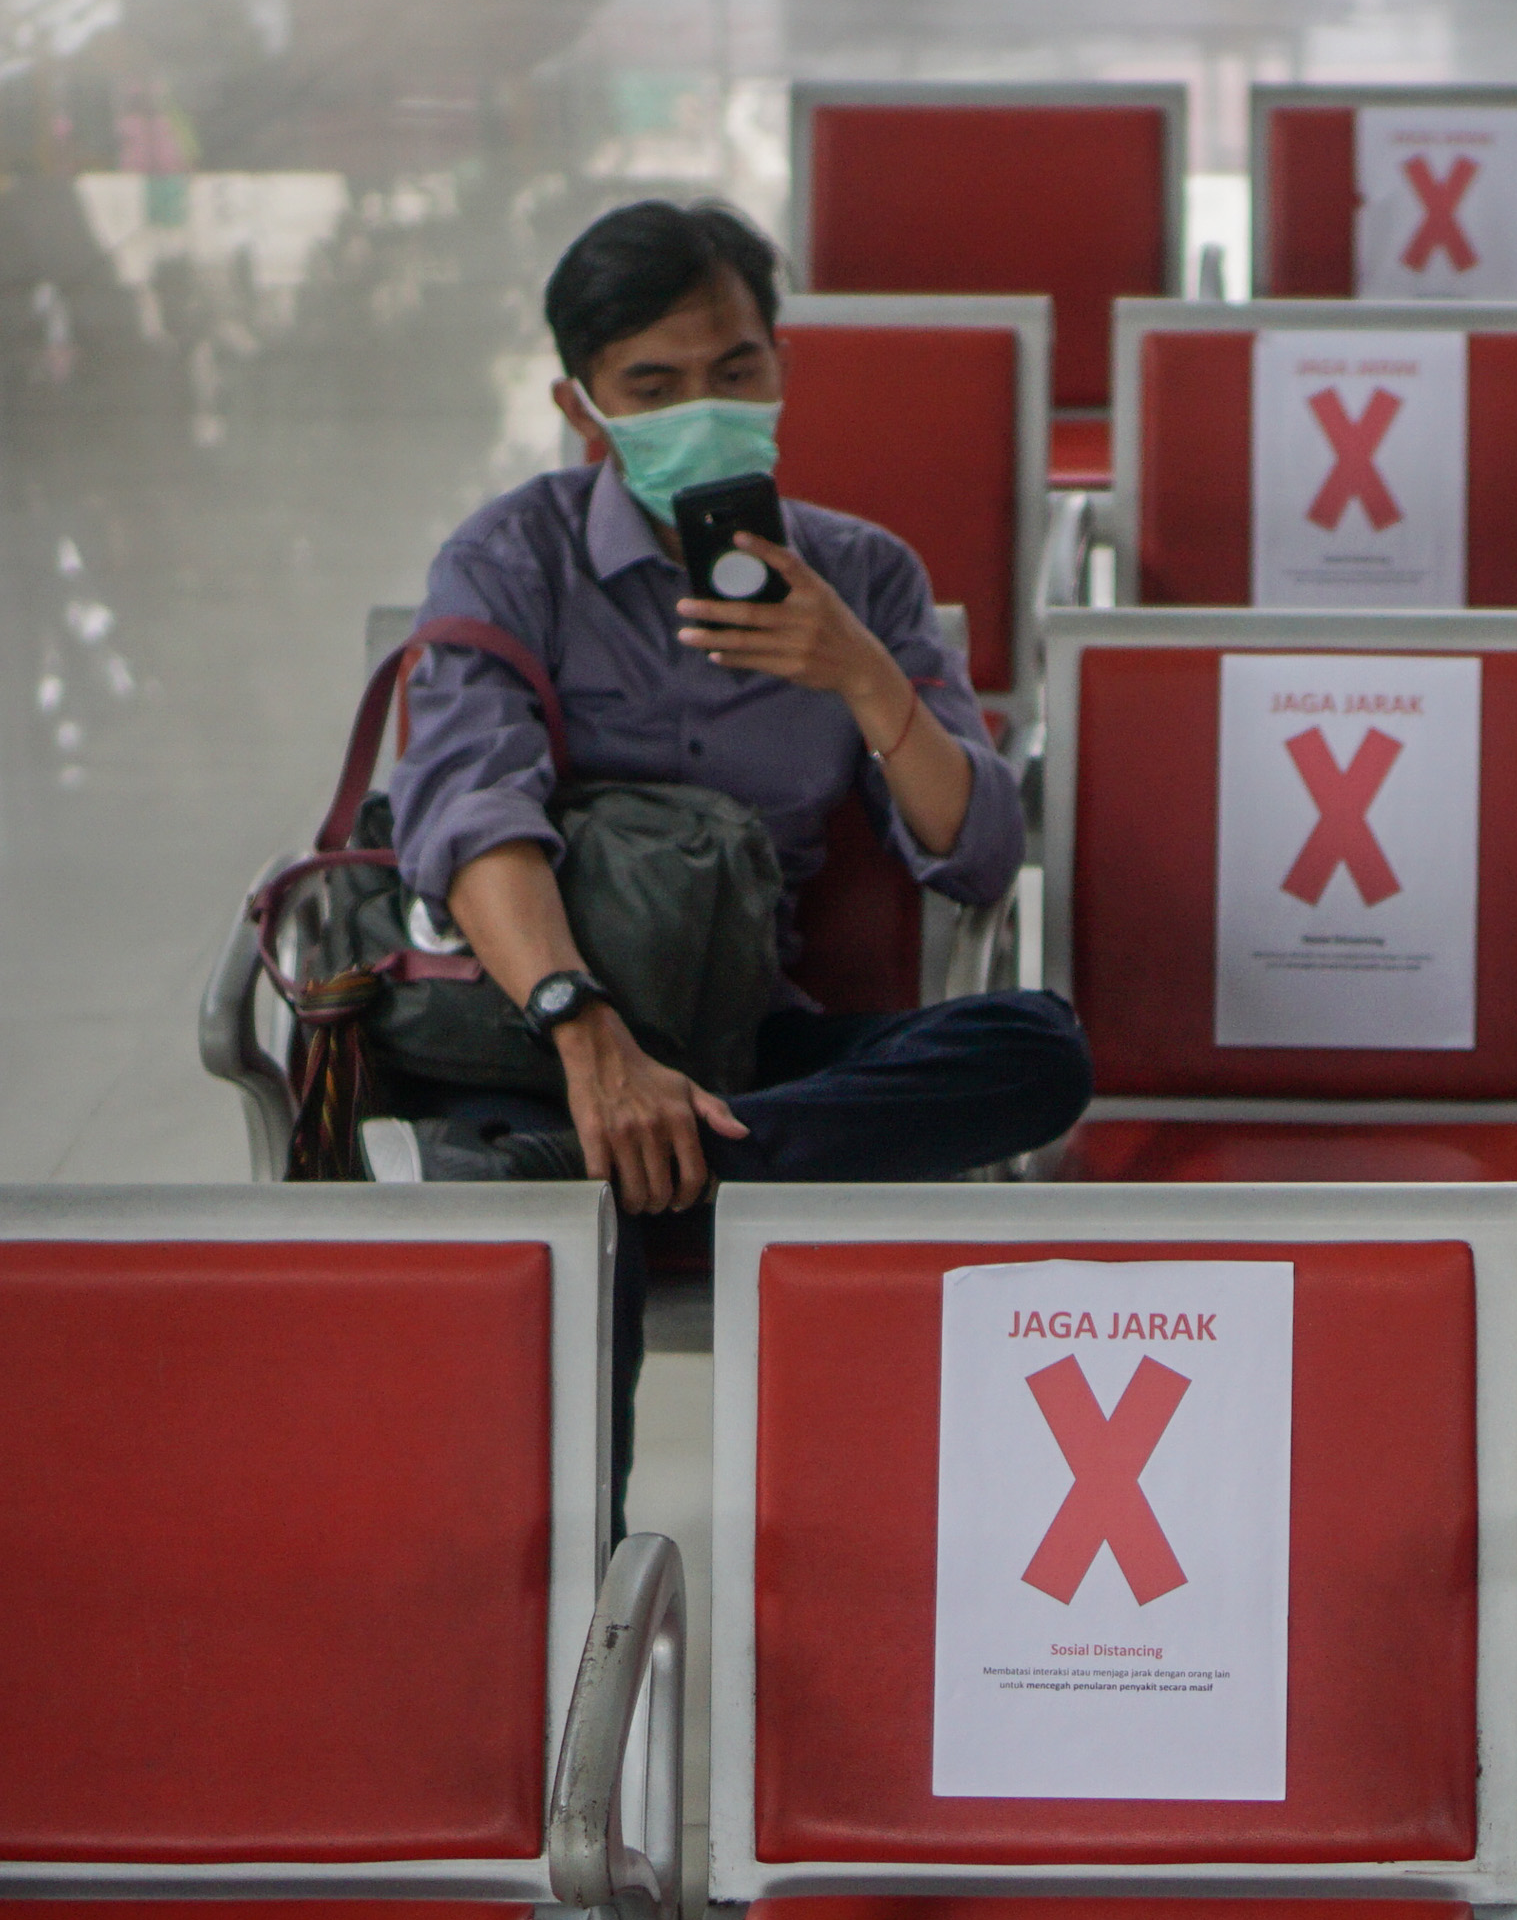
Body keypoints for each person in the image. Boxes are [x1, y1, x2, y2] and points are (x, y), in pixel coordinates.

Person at [387, 197, 1090, 1468]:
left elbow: (979, 855)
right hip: (547, 1025)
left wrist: (865, 676)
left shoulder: (859, 576)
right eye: (651, 384)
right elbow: (467, 808)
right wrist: (585, 1032)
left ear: (780, 367)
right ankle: (607, 1158)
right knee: (578, 1205)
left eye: (734, 369)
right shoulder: (510, 563)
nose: (701, 407)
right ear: (581, 408)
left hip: (741, 1029)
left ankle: (619, 1160)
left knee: (1037, 1050)